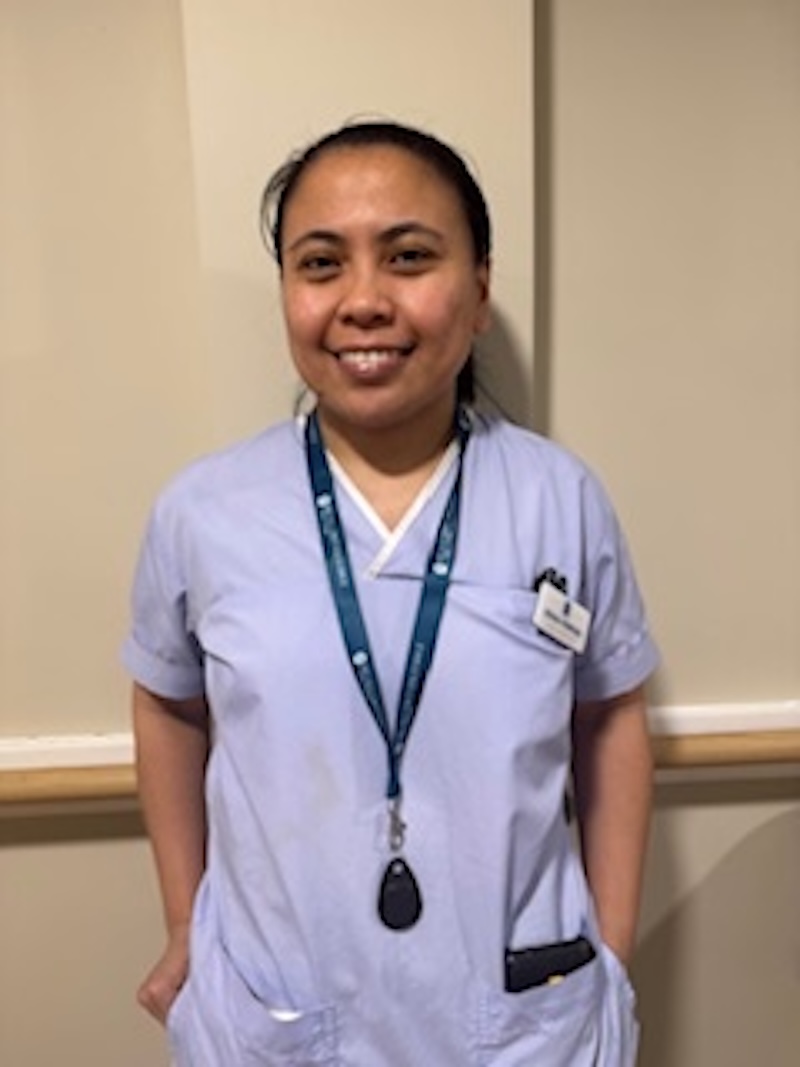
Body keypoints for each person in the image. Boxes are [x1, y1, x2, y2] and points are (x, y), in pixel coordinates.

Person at [123, 120, 659, 1066]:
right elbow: (168, 702)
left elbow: (611, 714)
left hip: (524, 1021)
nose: (363, 301)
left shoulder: (557, 499)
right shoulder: (203, 513)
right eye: (320, 263)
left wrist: (611, 951)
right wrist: (182, 921)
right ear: (288, 290)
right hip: (276, 1012)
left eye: (409, 256)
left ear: (481, 289)